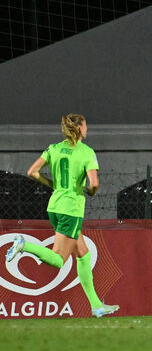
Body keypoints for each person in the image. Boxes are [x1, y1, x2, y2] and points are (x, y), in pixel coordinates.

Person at [6, 114, 119, 318]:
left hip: (55, 207)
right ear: (80, 129)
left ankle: (96, 305)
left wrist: (52, 185)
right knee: (59, 260)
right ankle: (24, 245)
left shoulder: (54, 148)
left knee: (83, 253)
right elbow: (93, 184)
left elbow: (32, 171)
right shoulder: (87, 153)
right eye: (85, 125)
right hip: (71, 210)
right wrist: (91, 192)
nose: (87, 128)